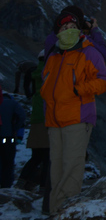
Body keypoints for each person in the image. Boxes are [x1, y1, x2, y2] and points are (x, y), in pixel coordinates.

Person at [40, 8, 106, 214]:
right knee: (57, 169)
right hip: (54, 120)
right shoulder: (53, 55)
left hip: (78, 117)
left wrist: (78, 90)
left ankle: (68, 213)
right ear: (58, 32)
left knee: (72, 168)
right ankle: (56, 212)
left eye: (73, 26)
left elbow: (103, 80)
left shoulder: (88, 52)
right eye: (64, 27)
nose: (69, 30)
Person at [16, 50, 52, 206]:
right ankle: (44, 188)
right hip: (48, 120)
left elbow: (27, 89)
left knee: (36, 156)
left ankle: (22, 182)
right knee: (48, 158)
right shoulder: (50, 73)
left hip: (36, 120)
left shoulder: (35, 74)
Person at [0, 89, 27, 188]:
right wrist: (15, 128)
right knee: (8, 162)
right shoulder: (13, 104)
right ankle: (6, 184)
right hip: (9, 138)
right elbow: (22, 116)